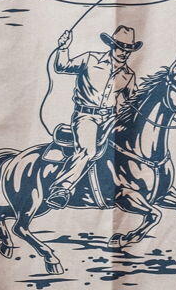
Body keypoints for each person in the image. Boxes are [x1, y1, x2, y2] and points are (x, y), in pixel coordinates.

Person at [45, 25, 143, 210]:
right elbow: (62, 66)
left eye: (128, 49)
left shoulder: (129, 74)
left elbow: (131, 101)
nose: (123, 52)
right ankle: (61, 188)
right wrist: (64, 48)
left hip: (110, 118)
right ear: (112, 45)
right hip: (86, 116)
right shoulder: (90, 59)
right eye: (120, 47)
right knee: (88, 150)